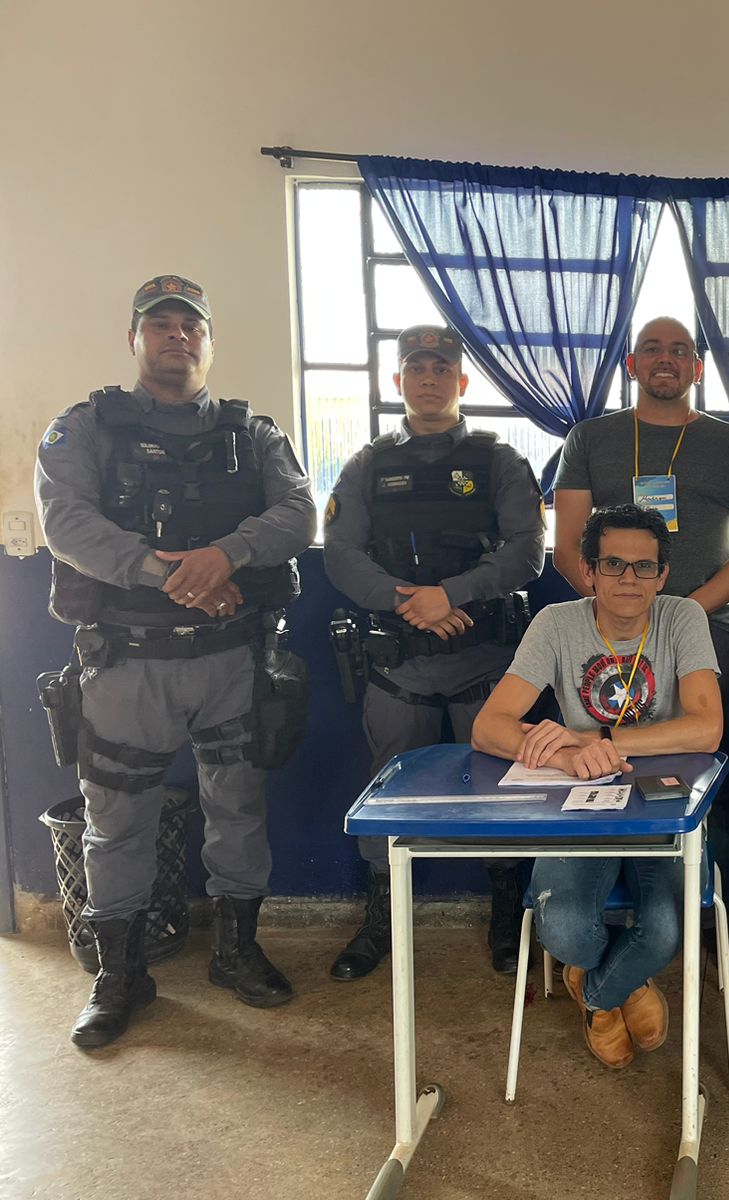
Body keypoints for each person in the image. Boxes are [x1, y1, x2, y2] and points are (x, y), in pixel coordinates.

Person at [35, 274, 316, 1047]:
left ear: (209, 343)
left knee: (239, 811)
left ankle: (235, 952)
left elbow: (299, 511)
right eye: (159, 324)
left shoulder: (254, 434)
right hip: (128, 663)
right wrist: (172, 575)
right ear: (134, 339)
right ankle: (121, 976)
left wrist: (228, 554)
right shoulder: (83, 428)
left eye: (191, 326)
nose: (176, 336)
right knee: (116, 822)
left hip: (230, 661)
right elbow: (66, 523)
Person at [552, 315, 729, 977]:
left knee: (710, 774)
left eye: (680, 350)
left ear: (698, 367)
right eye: (652, 348)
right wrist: (620, 609)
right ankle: (598, 912)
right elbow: (567, 548)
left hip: (705, 629)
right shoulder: (590, 437)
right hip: (605, 634)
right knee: (604, 762)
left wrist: (677, 616)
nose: (666, 358)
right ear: (632, 363)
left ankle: (715, 917)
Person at [322, 325, 545, 980]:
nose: (428, 378)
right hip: (400, 666)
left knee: (502, 788)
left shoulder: (498, 460)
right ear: (397, 381)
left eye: (441, 368)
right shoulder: (367, 465)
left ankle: (508, 914)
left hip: (485, 664)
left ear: (460, 381)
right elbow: (340, 554)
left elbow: (527, 552)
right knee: (387, 792)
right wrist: (407, 601)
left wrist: (451, 593)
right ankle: (382, 917)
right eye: (416, 368)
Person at [472, 505, 722, 1068]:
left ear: (662, 575)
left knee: (665, 931)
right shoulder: (556, 623)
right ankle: (624, 985)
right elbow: (488, 727)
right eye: (613, 564)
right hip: (582, 800)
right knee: (563, 930)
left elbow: (707, 728)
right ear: (588, 571)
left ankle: (597, 995)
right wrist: (566, 755)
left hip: (666, 801)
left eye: (644, 566)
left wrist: (600, 738)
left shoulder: (683, 617)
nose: (629, 579)